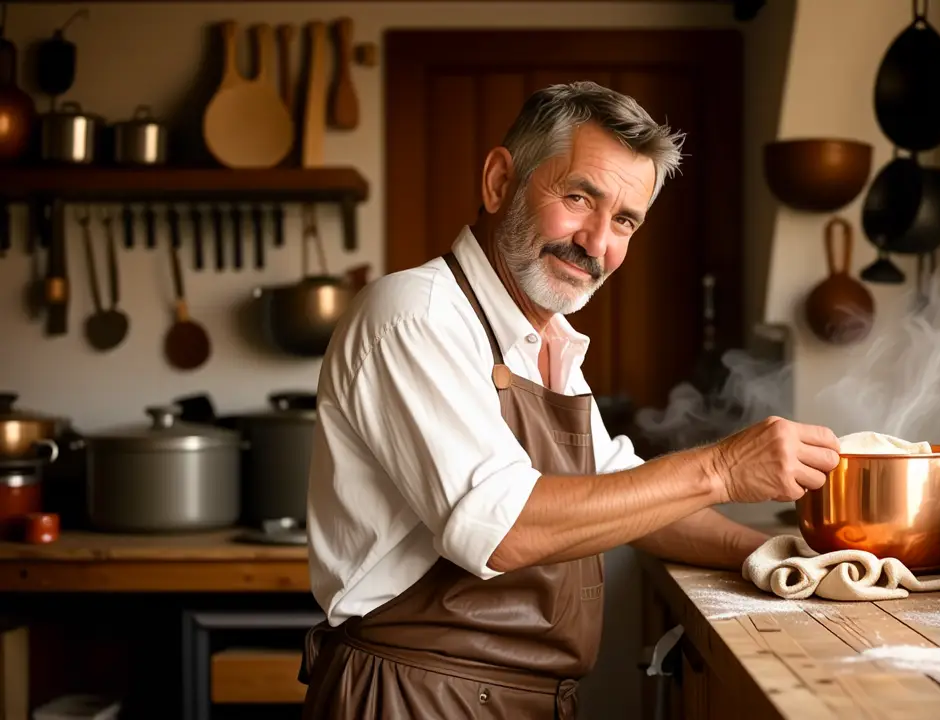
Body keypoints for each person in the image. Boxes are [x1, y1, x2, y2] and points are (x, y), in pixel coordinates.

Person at [299, 81, 841, 718]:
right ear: (501, 181)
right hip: (415, 698)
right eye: (579, 197)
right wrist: (720, 469)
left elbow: (629, 495)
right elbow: (502, 529)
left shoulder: (543, 340)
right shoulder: (415, 315)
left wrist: (771, 555)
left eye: (624, 221)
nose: (596, 243)